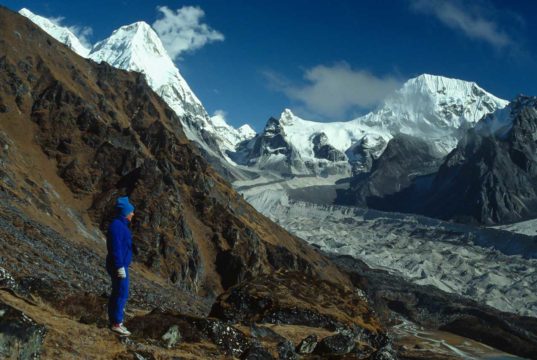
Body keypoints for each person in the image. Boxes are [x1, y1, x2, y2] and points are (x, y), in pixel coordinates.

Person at [106, 196, 134, 336]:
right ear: (125, 212)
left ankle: (115, 321)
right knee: (121, 293)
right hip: (119, 266)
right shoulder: (117, 226)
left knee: (118, 292)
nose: (132, 214)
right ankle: (117, 323)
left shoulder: (120, 225)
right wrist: (119, 266)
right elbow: (115, 248)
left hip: (121, 264)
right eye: (131, 211)